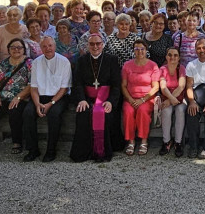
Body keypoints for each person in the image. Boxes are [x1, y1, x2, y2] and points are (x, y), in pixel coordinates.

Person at [70, 34, 123, 162]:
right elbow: (77, 83)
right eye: (92, 44)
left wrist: (111, 101)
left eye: (98, 43)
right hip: (87, 98)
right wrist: (81, 99)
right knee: (83, 113)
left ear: (103, 44)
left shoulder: (112, 60)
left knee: (106, 114)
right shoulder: (81, 61)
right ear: (88, 45)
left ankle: (102, 151)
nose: (95, 47)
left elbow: (116, 85)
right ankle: (84, 152)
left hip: (106, 98)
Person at [24, 37, 71, 162]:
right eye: (44, 46)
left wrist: (51, 103)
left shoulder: (64, 61)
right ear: (41, 48)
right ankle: (33, 150)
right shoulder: (36, 62)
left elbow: (64, 88)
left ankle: (51, 150)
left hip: (58, 97)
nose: (48, 48)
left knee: (54, 114)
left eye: (50, 45)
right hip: (40, 96)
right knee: (28, 112)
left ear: (55, 46)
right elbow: (33, 87)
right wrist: (37, 103)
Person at [121, 39, 160, 156]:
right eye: (136, 49)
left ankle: (144, 141)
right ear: (133, 51)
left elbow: (156, 87)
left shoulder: (153, 65)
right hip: (131, 98)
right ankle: (131, 141)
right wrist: (131, 99)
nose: (139, 52)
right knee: (128, 112)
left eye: (142, 49)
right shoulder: (127, 65)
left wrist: (143, 99)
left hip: (146, 99)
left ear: (146, 50)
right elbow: (123, 85)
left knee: (143, 111)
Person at [158, 47, 187, 156]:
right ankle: (166, 141)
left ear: (179, 58)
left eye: (175, 55)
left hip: (180, 99)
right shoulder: (162, 69)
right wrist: (170, 100)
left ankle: (178, 143)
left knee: (180, 111)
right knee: (166, 111)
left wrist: (170, 100)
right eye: (170, 55)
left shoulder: (182, 68)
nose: (172, 57)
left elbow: (181, 87)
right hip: (168, 98)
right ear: (166, 57)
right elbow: (163, 87)